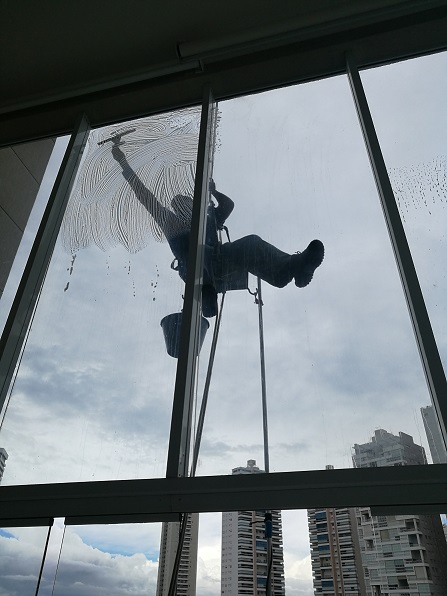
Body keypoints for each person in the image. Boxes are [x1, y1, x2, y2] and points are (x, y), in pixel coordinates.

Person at [111, 144, 324, 317]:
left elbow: (228, 205)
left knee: (250, 248)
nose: (187, 206)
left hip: (214, 265)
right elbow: (143, 194)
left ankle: (291, 268)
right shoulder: (176, 223)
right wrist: (123, 163)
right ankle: (290, 266)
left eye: (188, 203)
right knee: (251, 245)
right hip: (206, 265)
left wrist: (213, 192)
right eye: (184, 204)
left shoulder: (205, 220)